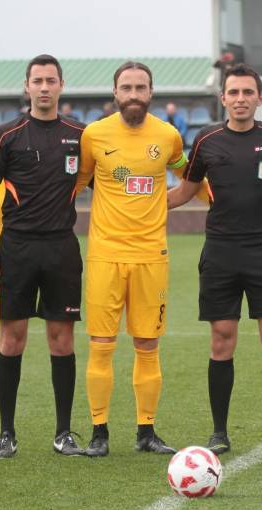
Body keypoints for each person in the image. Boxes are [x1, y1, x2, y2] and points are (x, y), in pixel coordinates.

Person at [167, 63, 262, 456]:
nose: (240, 99)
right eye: (233, 93)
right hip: (221, 253)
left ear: (260, 97)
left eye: (247, 93)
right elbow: (185, 191)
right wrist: (139, 208)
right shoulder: (207, 140)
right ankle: (219, 432)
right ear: (223, 98)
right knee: (221, 342)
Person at [0, 54, 86, 459]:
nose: (43, 87)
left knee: (62, 339)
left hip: (62, 248)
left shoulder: (80, 134)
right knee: (12, 339)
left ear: (61, 85)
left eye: (50, 80)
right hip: (16, 249)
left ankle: (64, 433)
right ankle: (7, 434)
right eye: (36, 80)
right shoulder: (6, 135)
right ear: (26, 86)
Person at [75, 61, 185, 458]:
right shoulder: (94, 135)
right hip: (105, 255)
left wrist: (164, 202)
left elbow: (189, 178)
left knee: (147, 345)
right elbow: (77, 183)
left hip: (151, 256)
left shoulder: (168, 136)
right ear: (115, 92)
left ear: (151, 92)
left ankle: (146, 431)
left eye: (141, 87)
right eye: (127, 87)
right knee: (101, 345)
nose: (134, 94)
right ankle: (99, 432)